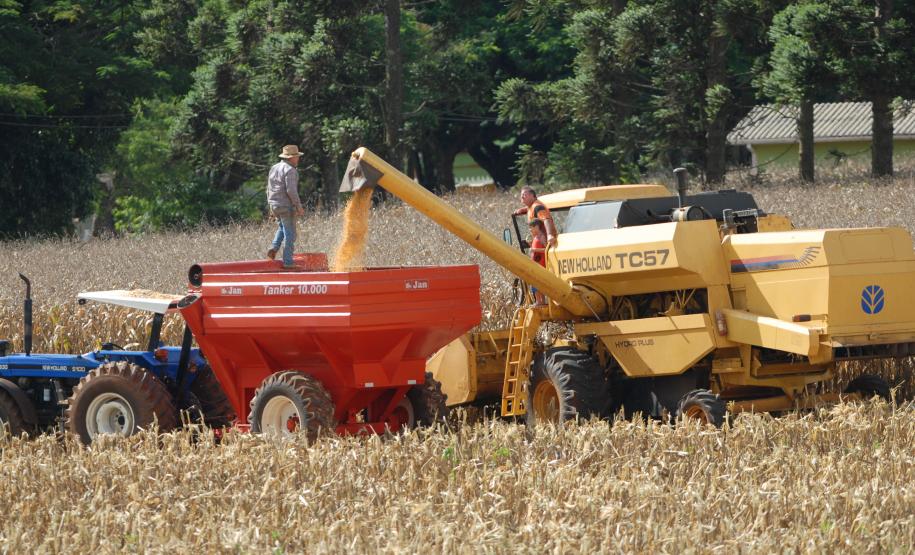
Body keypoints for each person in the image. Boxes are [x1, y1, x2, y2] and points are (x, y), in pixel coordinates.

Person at [266, 145, 306, 268]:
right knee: (291, 234)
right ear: (291, 158)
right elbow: (291, 191)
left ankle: (274, 247)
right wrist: (298, 206)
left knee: (282, 227)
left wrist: (271, 206)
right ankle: (288, 262)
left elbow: (268, 188)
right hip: (286, 206)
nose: (298, 159)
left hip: (274, 204)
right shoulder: (290, 170)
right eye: (297, 157)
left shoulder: (274, 168)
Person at [528, 219, 548, 306]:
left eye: (531, 228)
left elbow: (547, 249)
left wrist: (534, 249)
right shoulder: (535, 238)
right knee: (537, 283)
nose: (530, 230)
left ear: (537, 227)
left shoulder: (542, 237)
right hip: (535, 265)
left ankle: (540, 301)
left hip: (541, 265)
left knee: (536, 283)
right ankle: (540, 301)